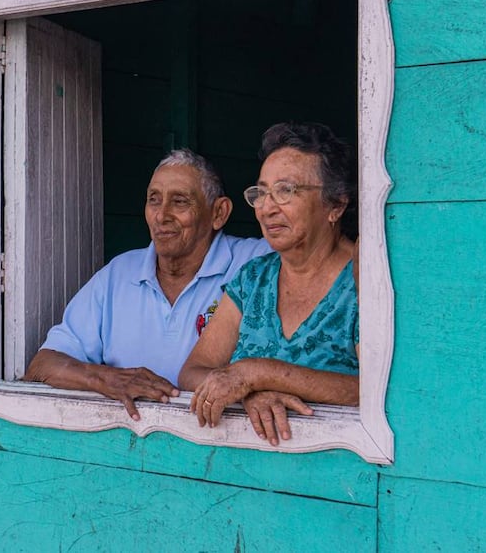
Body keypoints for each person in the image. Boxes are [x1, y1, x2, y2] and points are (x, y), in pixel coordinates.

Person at [24, 149, 271, 420]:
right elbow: (43, 365)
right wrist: (106, 378)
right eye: (154, 200)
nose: (161, 215)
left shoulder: (257, 261)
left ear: (218, 213)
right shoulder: (119, 274)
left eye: (179, 201)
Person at [178, 122, 360, 446]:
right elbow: (193, 371)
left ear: (336, 205)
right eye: (261, 193)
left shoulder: (364, 279)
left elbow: (373, 391)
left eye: (285, 191)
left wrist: (258, 374)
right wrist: (248, 391)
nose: (266, 208)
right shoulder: (253, 278)